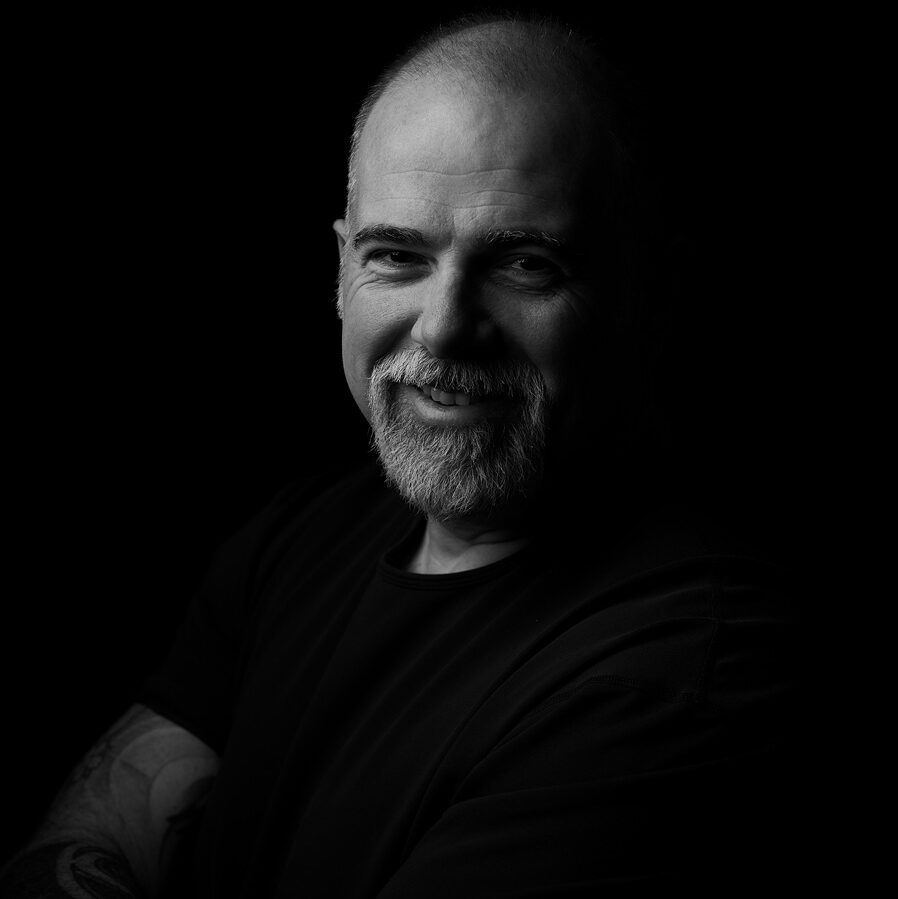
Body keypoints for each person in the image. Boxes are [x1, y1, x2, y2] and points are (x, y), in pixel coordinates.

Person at [1, 11, 804, 897]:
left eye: (527, 264)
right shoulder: (302, 536)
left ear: (653, 295)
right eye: (396, 255)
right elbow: (98, 825)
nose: (446, 326)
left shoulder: (683, 677)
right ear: (342, 270)